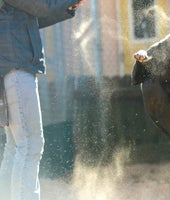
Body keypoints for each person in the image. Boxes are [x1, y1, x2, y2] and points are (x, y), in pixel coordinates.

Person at [0, 0, 84, 199]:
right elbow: (41, 6)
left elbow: (32, 16)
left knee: (16, 146)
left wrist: (68, 6)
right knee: (30, 144)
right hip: (16, 66)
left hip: (11, 66)